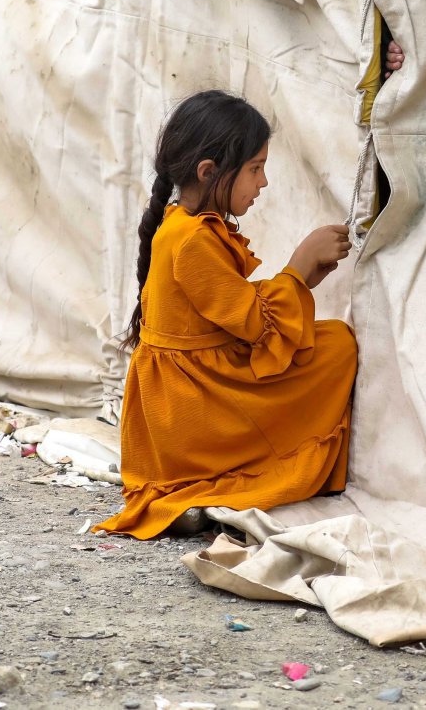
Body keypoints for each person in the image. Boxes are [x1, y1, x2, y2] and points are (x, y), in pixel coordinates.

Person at [95, 90, 359, 539]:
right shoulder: (194, 240)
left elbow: (229, 310)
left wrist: (302, 278)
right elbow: (256, 325)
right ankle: (232, 480)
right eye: (256, 169)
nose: (264, 183)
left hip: (180, 404)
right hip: (192, 411)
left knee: (323, 338)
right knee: (335, 345)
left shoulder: (182, 225)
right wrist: (298, 265)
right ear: (209, 172)